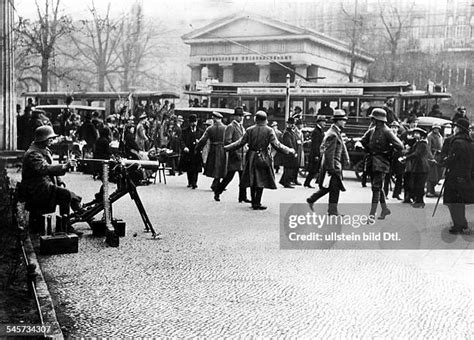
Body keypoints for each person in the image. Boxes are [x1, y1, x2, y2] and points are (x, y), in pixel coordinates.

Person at [225, 111, 295, 210]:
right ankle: (257, 202)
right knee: (261, 179)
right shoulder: (269, 130)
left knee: (252, 179)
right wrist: (289, 150)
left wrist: (227, 148)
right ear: (265, 120)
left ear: (256, 120)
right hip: (264, 156)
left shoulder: (249, 130)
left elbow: (240, 143)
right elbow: (277, 145)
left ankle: (253, 202)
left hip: (251, 156)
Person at [20, 126, 82, 234]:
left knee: (69, 195)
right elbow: (44, 168)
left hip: (43, 185)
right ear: (43, 139)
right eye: (50, 138)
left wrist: (58, 179)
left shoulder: (42, 149)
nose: (52, 140)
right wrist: (64, 166)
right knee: (66, 194)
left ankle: (79, 215)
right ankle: (64, 227)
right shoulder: (33, 154)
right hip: (36, 188)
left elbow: (49, 167)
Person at [360, 108, 404, 219]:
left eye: (373, 118)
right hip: (373, 161)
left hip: (381, 163)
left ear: (378, 120)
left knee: (376, 188)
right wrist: (368, 149)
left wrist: (389, 152)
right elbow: (363, 140)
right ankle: (384, 210)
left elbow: (400, 146)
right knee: (377, 187)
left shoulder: (387, 131)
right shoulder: (372, 130)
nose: (371, 120)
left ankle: (371, 215)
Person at [306, 110, 350, 215]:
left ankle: (313, 200)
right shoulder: (333, 134)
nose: (345, 122)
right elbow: (329, 154)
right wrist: (331, 169)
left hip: (334, 165)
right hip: (333, 166)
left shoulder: (335, 132)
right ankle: (331, 211)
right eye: (343, 120)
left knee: (331, 188)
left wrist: (346, 158)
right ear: (338, 121)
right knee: (334, 188)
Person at [437, 118, 473, 234]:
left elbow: (452, 159)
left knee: (452, 201)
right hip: (466, 176)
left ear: (458, 129)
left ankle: (458, 225)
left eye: (455, 127)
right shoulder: (471, 142)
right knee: (459, 201)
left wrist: (445, 161)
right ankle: (462, 222)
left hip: (454, 176)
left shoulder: (456, 142)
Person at [214, 107, 250, 203]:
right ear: (235, 116)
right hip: (235, 157)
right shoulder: (231, 127)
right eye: (239, 116)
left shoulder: (241, 127)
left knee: (243, 178)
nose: (241, 117)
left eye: (242, 116)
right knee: (228, 177)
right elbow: (227, 142)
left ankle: (242, 197)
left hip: (242, 156)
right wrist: (234, 152)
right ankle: (218, 191)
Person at [196, 112, 227, 192]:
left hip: (213, 149)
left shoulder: (210, 129)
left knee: (215, 166)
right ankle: (216, 183)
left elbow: (203, 140)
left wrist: (197, 147)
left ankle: (216, 183)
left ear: (214, 119)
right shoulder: (225, 128)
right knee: (221, 166)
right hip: (223, 149)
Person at [401, 127, 430, 208]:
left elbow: (416, 154)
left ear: (421, 136)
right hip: (418, 166)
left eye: (417, 133)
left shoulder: (422, 144)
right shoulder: (417, 143)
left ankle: (419, 201)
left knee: (419, 185)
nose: (415, 135)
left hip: (421, 166)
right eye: (415, 133)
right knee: (417, 184)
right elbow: (412, 152)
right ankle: (419, 201)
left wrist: (406, 158)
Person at [179, 114, 203, 189]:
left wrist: (201, 147)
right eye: (192, 122)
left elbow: (204, 141)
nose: (193, 124)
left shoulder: (200, 131)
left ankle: (194, 183)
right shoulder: (184, 131)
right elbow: (181, 140)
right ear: (189, 123)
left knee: (196, 169)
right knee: (189, 168)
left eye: (195, 122)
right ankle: (190, 182)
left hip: (197, 152)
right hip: (188, 152)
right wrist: (184, 147)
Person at [304, 115, 327, 188]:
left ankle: (307, 182)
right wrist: (316, 155)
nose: (325, 123)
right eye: (323, 122)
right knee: (313, 169)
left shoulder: (319, 130)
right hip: (315, 153)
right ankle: (307, 183)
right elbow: (315, 145)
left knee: (314, 169)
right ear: (319, 122)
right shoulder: (316, 131)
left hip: (317, 152)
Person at [279, 117, 299, 188]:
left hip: (291, 152)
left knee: (290, 167)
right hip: (288, 152)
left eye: (293, 124)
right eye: (290, 124)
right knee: (288, 168)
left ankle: (283, 181)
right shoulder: (287, 133)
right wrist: (293, 151)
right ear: (288, 124)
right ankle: (286, 182)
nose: (292, 125)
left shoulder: (291, 132)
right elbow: (288, 143)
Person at [426, 123, 444, 197]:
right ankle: (430, 191)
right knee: (432, 175)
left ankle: (432, 189)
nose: (436, 129)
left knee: (439, 174)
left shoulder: (440, 136)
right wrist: (431, 158)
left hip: (440, 156)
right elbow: (428, 148)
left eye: (437, 128)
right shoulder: (429, 136)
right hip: (433, 155)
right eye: (435, 128)